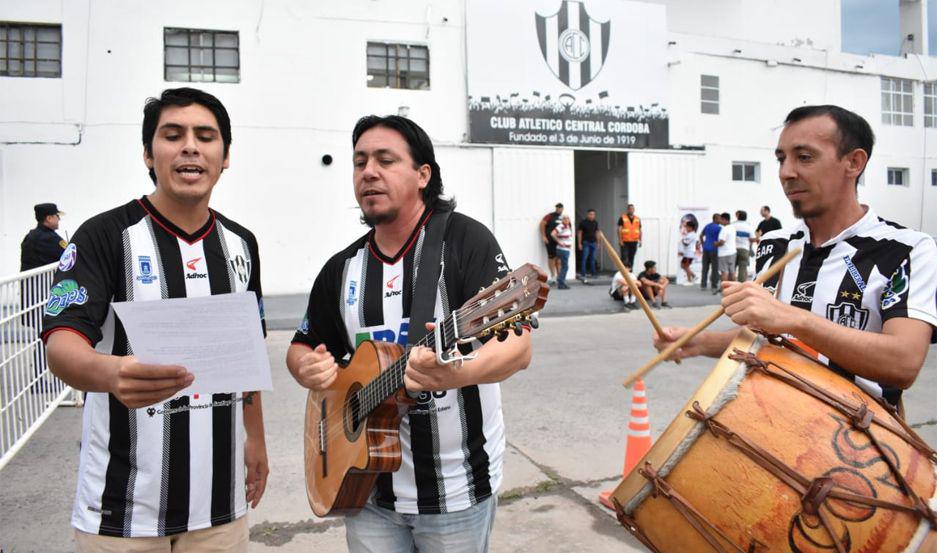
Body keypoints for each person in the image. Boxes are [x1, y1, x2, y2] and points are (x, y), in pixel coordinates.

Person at [286, 115, 532, 553]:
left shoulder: (465, 242)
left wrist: (456, 374)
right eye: (360, 161)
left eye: (385, 159)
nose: (368, 172)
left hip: (455, 494)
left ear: (424, 174)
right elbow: (303, 346)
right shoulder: (342, 269)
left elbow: (517, 347)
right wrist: (306, 365)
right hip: (365, 492)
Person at [42, 88, 268, 551]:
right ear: (149, 153)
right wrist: (112, 372)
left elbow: (247, 356)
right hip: (121, 510)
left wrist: (256, 439)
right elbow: (61, 344)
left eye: (206, 136)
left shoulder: (242, 245)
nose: (190, 146)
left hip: (219, 507)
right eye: (173, 135)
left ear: (224, 156)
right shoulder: (104, 235)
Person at [654, 105, 937, 410]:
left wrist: (794, 319)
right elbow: (767, 336)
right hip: (774, 424)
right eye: (781, 159)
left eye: (804, 157)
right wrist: (697, 343)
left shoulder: (906, 249)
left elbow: (903, 362)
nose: (786, 173)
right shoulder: (776, 244)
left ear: (853, 162)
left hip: (860, 444)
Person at [20, 203, 67, 271]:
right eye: (57, 216)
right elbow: (68, 256)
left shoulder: (30, 236)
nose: (59, 219)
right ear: (49, 218)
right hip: (45, 280)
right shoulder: (51, 238)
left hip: (28, 280)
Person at [539, 202, 563, 284]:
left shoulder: (563, 217)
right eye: (557, 208)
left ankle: (560, 277)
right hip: (550, 240)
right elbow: (542, 224)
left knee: (559, 259)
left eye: (560, 208)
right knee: (552, 258)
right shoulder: (550, 216)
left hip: (560, 241)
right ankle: (553, 276)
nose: (559, 209)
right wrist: (544, 236)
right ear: (556, 208)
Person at [714, 212, 737, 292]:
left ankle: (724, 288)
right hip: (732, 252)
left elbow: (722, 242)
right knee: (732, 271)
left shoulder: (724, 229)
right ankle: (735, 288)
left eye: (721, 219)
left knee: (724, 271)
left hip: (724, 253)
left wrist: (715, 244)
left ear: (724, 219)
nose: (720, 221)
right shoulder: (732, 227)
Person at [699, 214, 722, 291]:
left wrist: (703, 244)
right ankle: (714, 285)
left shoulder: (707, 226)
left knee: (705, 268)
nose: (720, 220)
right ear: (715, 219)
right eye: (719, 219)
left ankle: (703, 284)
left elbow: (701, 235)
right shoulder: (719, 228)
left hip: (706, 249)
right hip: (714, 249)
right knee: (714, 268)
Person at [551, 214, 573, 289]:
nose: (566, 220)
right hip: (563, 249)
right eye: (565, 219)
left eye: (567, 219)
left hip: (565, 249)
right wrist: (559, 242)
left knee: (561, 265)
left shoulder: (567, 226)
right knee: (565, 267)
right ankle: (561, 282)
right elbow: (553, 234)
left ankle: (560, 281)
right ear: (562, 220)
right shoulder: (561, 226)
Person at [577, 209, 599, 283]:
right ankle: (583, 273)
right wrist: (579, 243)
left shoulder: (595, 223)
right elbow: (579, 233)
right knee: (584, 258)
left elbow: (597, 232)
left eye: (593, 214)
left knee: (593, 258)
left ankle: (593, 273)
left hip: (593, 242)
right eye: (590, 214)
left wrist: (598, 242)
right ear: (587, 214)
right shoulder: (583, 223)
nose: (592, 216)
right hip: (586, 242)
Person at [617, 203, 642, 269]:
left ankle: (630, 272)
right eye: (630, 209)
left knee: (631, 257)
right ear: (627, 210)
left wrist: (640, 240)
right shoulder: (622, 217)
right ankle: (623, 273)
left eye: (632, 209)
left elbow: (639, 230)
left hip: (634, 241)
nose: (631, 210)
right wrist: (620, 240)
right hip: (625, 241)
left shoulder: (637, 219)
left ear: (634, 210)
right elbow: (619, 229)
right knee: (624, 257)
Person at [733, 210, 754, 281]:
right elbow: (752, 238)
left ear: (738, 216)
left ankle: (730, 285)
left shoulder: (733, 225)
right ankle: (740, 286)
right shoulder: (748, 226)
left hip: (733, 249)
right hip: (744, 249)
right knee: (742, 269)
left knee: (732, 268)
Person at [679, 218, 699, 283]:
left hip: (689, 253)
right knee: (683, 266)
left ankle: (689, 280)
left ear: (691, 227)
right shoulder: (690, 234)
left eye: (687, 227)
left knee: (686, 266)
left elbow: (686, 243)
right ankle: (693, 276)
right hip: (687, 253)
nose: (686, 228)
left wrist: (682, 240)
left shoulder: (691, 235)